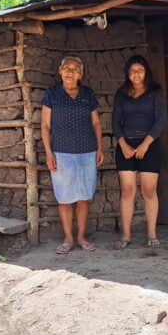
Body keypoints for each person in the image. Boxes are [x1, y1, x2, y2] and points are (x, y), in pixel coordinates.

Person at [41, 56, 104, 254]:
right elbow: (45, 125)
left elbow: (96, 123)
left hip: (87, 152)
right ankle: (68, 238)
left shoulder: (87, 94)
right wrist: (49, 153)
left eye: (75, 69)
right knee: (65, 198)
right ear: (60, 71)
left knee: (84, 197)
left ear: (81, 74)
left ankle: (81, 237)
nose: (70, 72)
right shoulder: (52, 94)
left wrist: (99, 148)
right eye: (66, 68)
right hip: (61, 153)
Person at [111, 55, 166, 249]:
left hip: (149, 146)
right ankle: (126, 235)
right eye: (132, 71)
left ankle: (151, 233)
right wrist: (123, 144)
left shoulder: (155, 92)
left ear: (146, 72)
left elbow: (160, 120)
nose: (136, 74)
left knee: (149, 190)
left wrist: (145, 144)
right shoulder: (121, 94)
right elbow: (115, 122)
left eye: (140, 70)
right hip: (126, 146)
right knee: (127, 190)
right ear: (127, 73)